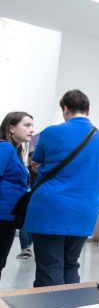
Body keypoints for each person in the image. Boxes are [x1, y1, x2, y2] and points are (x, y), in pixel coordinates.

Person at [23, 90, 99, 287]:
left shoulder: (51, 132)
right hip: (84, 210)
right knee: (71, 264)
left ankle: (48, 307)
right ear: (88, 110)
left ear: (65, 109)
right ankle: (69, 305)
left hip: (51, 208)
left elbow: (35, 163)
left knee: (49, 267)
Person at [0, 112, 34, 278]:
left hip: (8, 217)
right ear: (12, 128)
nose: (31, 130)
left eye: (32, 125)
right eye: (26, 125)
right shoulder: (5, 148)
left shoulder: (15, 150)